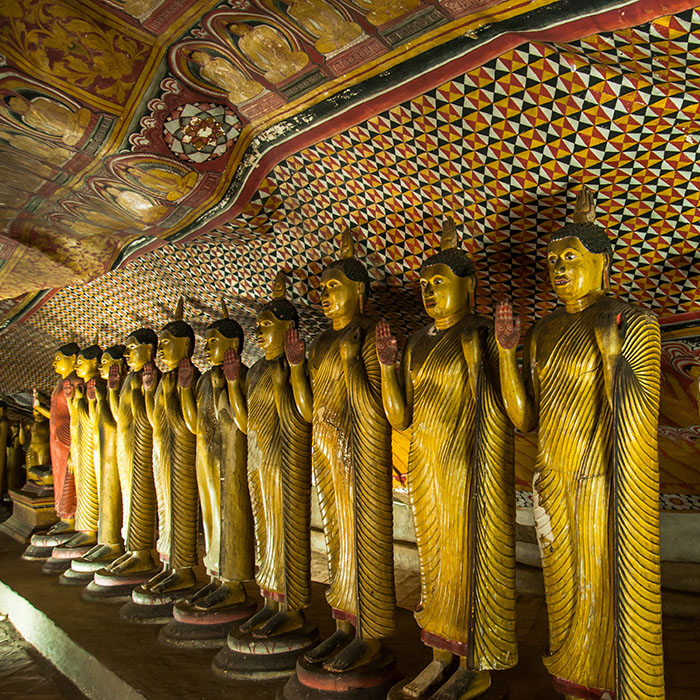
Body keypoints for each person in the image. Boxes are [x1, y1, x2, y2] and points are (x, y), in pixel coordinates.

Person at [495, 189, 664, 700]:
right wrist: (506, 355)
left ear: (602, 264)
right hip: (552, 478)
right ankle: (572, 682)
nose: (559, 268)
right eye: (552, 261)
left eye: (571, 258)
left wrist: (614, 359)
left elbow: (640, 416)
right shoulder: (544, 332)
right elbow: (525, 419)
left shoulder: (629, 320)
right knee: (562, 590)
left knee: (601, 587)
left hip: (599, 481)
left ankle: (612, 683)